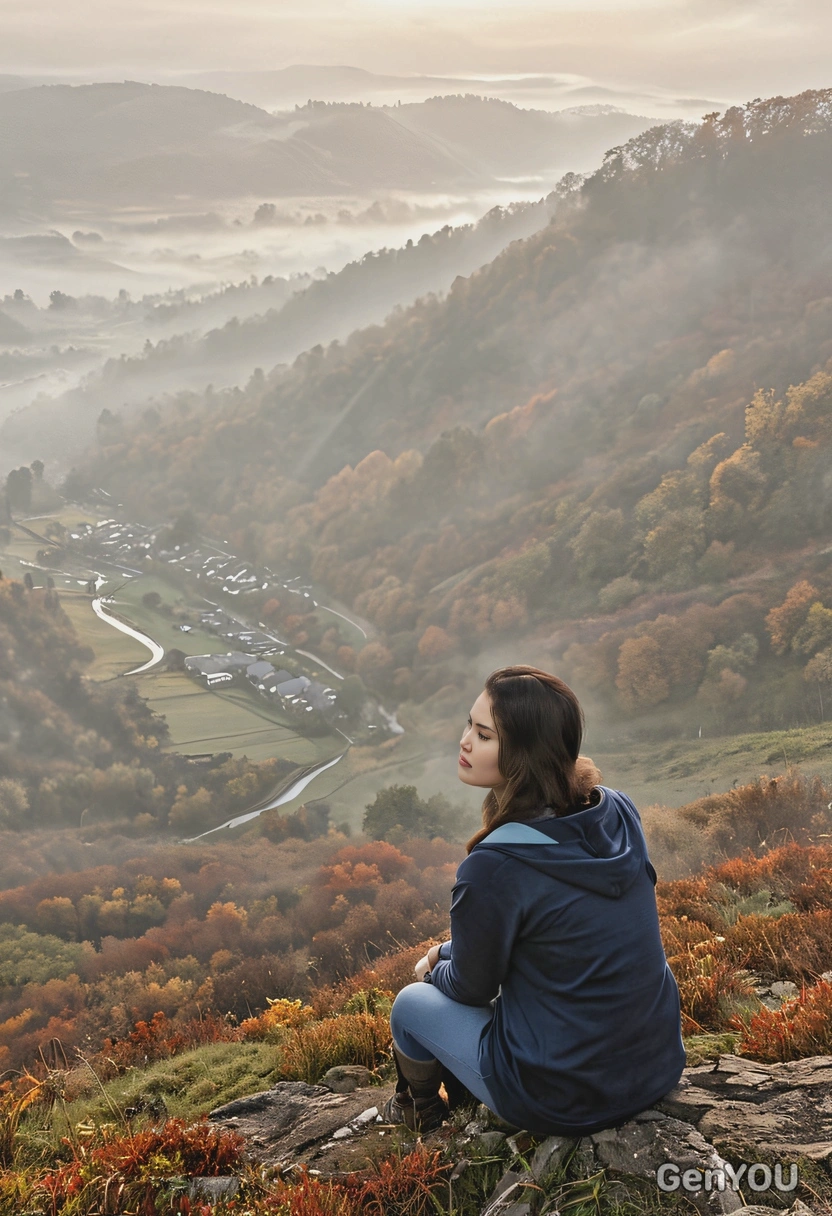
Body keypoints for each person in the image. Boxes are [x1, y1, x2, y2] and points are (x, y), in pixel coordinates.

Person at [382, 664, 685, 1134]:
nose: (464, 742)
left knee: (410, 1004)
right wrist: (448, 952)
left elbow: (471, 988)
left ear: (524, 755)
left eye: (484, 735)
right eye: (470, 725)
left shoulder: (494, 867)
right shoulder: (619, 812)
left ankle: (422, 1112)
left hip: (560, 1098)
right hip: (657, 1065)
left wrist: (436, 968)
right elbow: (557, 928)